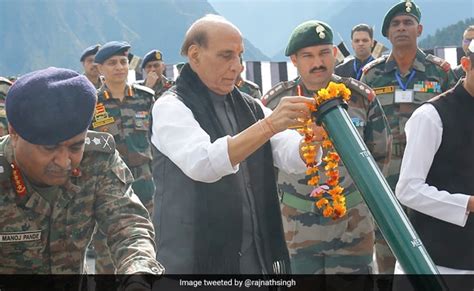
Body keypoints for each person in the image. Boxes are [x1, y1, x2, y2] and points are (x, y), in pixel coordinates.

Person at [151, 14, 320, 274]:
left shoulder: (249, 106)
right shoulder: (170, 106)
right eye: (226, 55)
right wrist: (269, 125)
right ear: (194, 55)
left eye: (239, 55)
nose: (238, 66)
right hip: (193, 263)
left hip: (255, 260)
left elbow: (291, 156)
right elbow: (204, 164)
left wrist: (313, 140)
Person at [0, 67, 163, 278]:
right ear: (14, 133)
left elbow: (130, 224)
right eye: (49, 148)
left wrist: (138, 274)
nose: (63, 161)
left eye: (75, 147)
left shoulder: (96, 159)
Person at [262, 20, 391, 285]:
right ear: (294, 60)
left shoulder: (359, 97)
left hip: (352, 225)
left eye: (323, 53)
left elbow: (380, 155)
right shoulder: (276, 103)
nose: (317, 62)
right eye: (308, 56)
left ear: (334, 54)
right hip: (294, 228)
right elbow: (263, 164)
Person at [360, 0, 456, 274]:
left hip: (431, 180)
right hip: (384, 182)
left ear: (419, 29)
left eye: (407, 23)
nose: (401, 28)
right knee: (387, 255)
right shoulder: (372, 75)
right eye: (395, 24)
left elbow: (457, 119)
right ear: (387, 34)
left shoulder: (441, 72)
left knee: (431, 259)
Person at [395, 39, 474, 275]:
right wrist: (467, 204)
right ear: (466, 63)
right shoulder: (432, 116)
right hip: (439, 265)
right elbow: (408, 189)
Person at [91, 41, 156, 274]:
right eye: (112, 63)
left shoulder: (146, 98)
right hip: (107, 187)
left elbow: (157, 142)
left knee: (144, 246)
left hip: (144, 185)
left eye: (123, 62)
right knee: (107, 254)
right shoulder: (92, 103)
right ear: (100, 69)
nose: (119, 67)